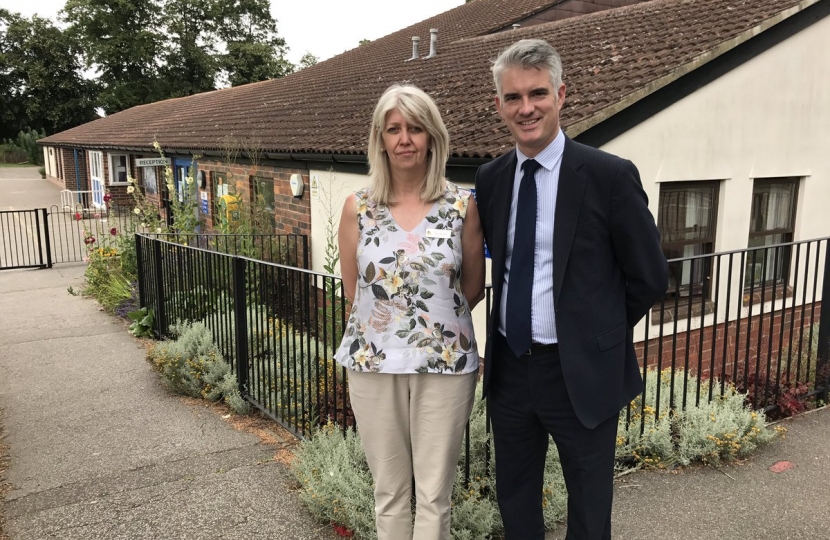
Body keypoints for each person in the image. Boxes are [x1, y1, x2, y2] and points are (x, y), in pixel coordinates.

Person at [474, 39, 668, 540]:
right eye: (513, 97)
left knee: (588, 508)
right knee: (515, 499)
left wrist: (594, 334)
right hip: (511, 371)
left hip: (581, 372)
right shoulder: (492, 178)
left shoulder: (609, 176)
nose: (527, 108)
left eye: (537, 93)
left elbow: (649, 276)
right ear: (498, 105)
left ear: (561, 94)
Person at [335, 83, 485, 540]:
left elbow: (472, 288)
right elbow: (352, 291)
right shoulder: (357, 209)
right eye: (394, 128)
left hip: (445, 364)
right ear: (380, 138)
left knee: (435, 496)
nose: (405, 138)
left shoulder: (462, 206)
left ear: (431, 137)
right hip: (373, 363)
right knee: (390, 493)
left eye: (416, 128)